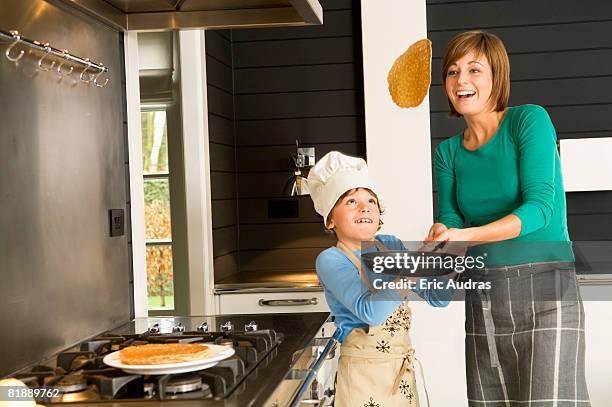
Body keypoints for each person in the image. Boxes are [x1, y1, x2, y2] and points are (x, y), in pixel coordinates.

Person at [426, 31, 590, 406]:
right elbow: (451, 217)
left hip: (548, 289)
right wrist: (442, 235)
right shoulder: (448, 152)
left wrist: (468, 235)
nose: (460, 81)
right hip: (486, 294)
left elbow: (541, 208)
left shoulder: (528, 121)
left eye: (473, 69)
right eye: (452, 72)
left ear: (496, 77)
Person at [308, 151, 449, 407]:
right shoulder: (331, 260)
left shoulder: (390, 244)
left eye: (371, 201)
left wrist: (447, 253)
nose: (364, 207)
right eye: (351, 201)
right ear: (330, 219)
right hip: (362, 379)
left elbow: (438, 297)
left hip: (401, 379)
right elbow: (371, 311)